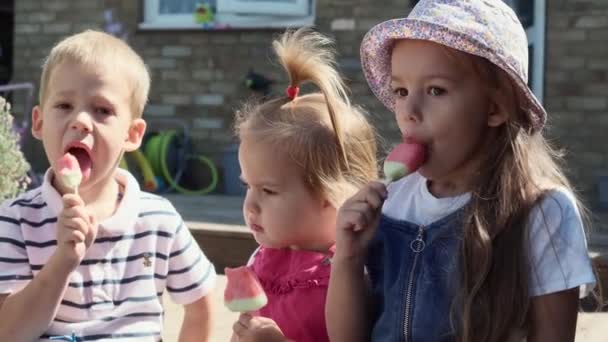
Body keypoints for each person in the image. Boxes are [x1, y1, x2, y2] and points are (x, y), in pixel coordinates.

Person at [327, 1, 597, 341]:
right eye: (400, 91)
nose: (408, 111)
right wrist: (348, 258)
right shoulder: (392, 202)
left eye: (436, 90)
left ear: (495, 108)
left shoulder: (542, 214)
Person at [0, 30, 216, 341]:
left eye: (102, 110)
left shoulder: (158, 220)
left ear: (132, 134)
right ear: (38, 122)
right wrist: (62, 262)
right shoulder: (16, 220)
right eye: (64, 105)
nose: (81, 121)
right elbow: (8, 332)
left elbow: (201, 304)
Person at [230, 27, 378, 342]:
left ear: (333, 194)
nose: (251, 205)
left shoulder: (355, 272)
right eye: (247, 186)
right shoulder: (263, 258)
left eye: (268, 190)